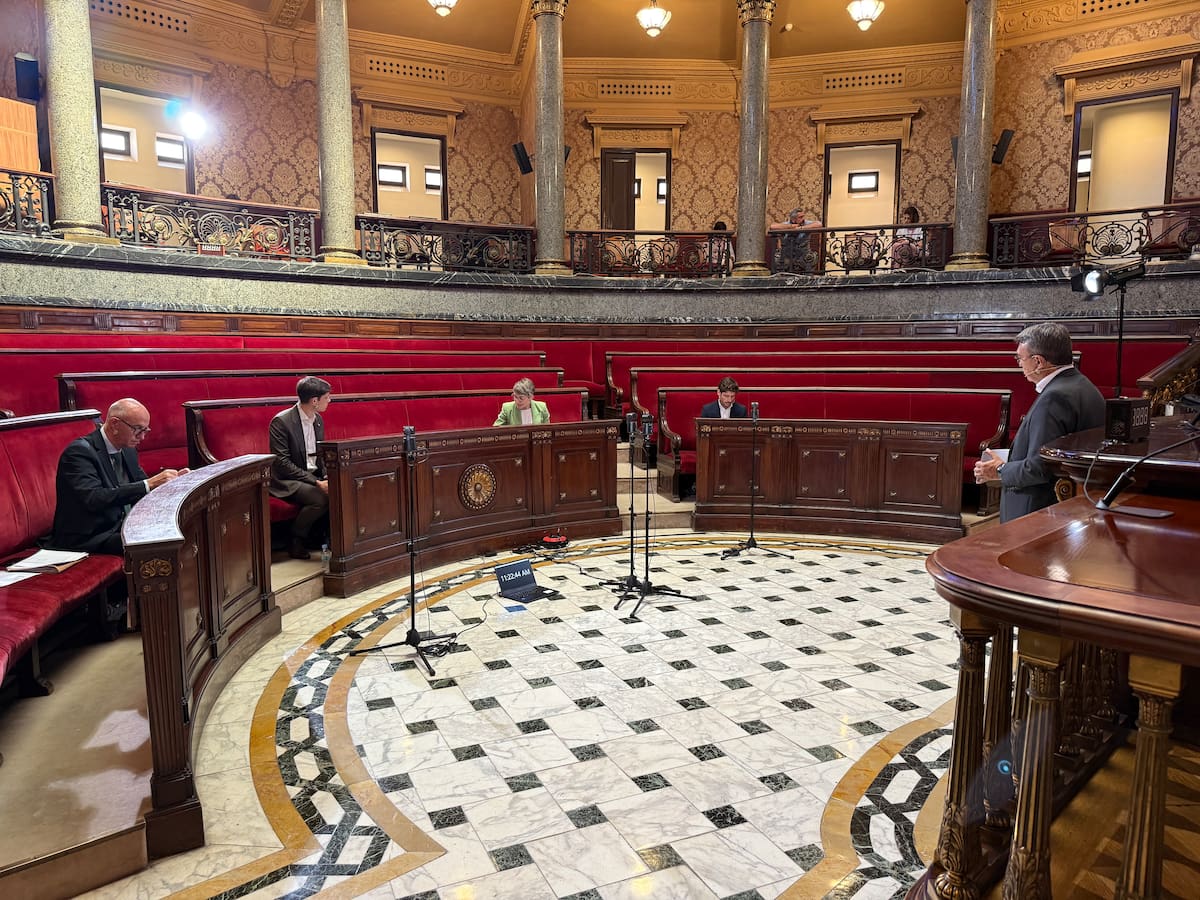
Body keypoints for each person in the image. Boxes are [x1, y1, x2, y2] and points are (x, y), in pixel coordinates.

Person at [973, 322, 1105, 522]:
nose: (1019, 364)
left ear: (1038, 361)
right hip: (1074, 505)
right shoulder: (1084, 386)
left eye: (1020, 358)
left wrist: (999, 470)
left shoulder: (1054, 398)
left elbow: (1039, 468)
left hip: (1037, 510)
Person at [50, 398, 187, 556]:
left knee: (180, 526)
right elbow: (93, 498)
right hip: (92, 536)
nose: (142, 437)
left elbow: (143, 489)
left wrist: (173, 484)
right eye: (137, 429)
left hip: (122, 526)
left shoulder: (128, 449)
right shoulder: (79, 453)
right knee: (159, 541)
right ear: (115, 424)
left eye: (145, 430)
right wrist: (149, 484)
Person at [269, 376, 332, 560]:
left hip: (312, 475)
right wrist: (317, 482)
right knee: (321, 498)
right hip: (287, 479)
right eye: (326, 397)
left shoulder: (318, 419)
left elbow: (320, 454)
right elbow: (282, 463)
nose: (329, 400)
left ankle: (324, 537)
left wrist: (327, 476)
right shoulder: (281, 422)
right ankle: (295, 538)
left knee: (339, 489)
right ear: (314, 401)